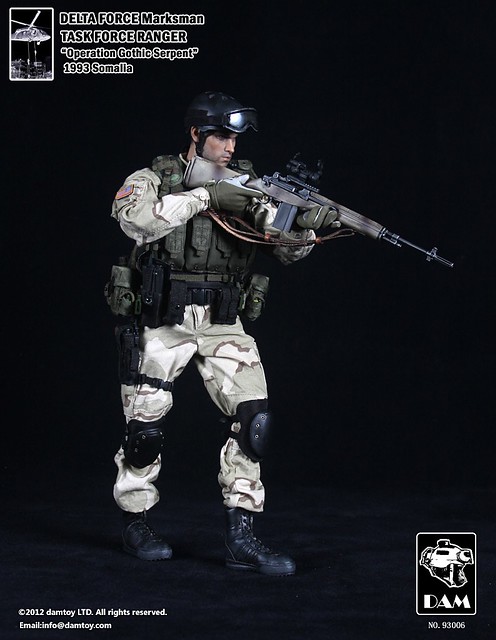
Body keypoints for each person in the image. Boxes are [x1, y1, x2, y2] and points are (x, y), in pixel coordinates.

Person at [107, 91, 338, 576]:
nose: (230, 147)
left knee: (254, 421)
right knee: (144, 430)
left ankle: (241, 538)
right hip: (163, 320)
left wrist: (305, 228)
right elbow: (138, 222)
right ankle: (136, 522)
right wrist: (206, 196)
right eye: (221, 136)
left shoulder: (251, 189)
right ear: (196, 134)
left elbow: (284, 249)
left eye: (235, 139)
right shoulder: (151, 179)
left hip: (223, 321)